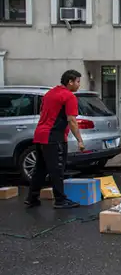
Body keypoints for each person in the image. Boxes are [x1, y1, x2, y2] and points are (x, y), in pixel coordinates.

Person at [25, 70, 85, 209]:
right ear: (70, 82)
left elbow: (43, 112)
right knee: (57, 169)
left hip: (40, 135)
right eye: (77, 81)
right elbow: (72, 120)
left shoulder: (50, 93)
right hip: (54, 137)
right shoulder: (69, 96)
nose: (78, 85)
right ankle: (60, 200)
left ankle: (31, 198)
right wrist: (80, 140)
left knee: (40, 168)